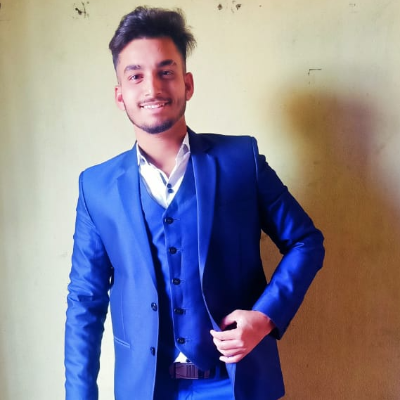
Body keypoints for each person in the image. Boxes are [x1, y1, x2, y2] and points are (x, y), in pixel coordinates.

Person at [65, 6, 325, 400]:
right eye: (135, 76)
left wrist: (265, 316)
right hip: (146, 389)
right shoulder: (96, 187)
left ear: (187, 84)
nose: (152, 88)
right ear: (120, 95)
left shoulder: (242, 161)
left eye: (165, 72)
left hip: (234, 384)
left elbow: (306, 241)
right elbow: (85, 299)